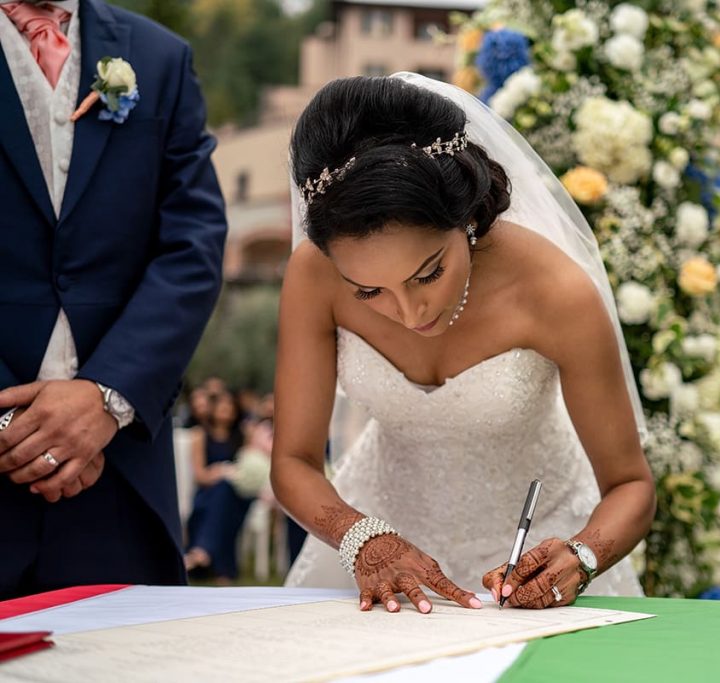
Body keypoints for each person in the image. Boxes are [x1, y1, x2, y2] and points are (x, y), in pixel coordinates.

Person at [272, 73, 655, 613]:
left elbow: (630, 485)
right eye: (368, 291)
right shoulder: (313, 276)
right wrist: (361, 538)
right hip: (371, 551)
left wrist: (582, 556)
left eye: (428, 274)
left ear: (469, 217)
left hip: (534, 553)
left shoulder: (557, 292)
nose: (408, 313)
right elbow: (292, 462)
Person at [0, 0, 226, 597]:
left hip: (119, 475)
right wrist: (15, 427)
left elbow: (192, 244)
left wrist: (107, 396)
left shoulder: (160, 57)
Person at [184, 392, 252, 583]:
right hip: (207, 493)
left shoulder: (242, 436)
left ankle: (202, 551)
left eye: (230, 408)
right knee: (221, 493)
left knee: (225, 494)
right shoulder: (200, 435)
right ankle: (223, 569)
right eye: (222, 407)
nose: (226, 411)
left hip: (236, 495)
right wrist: (220, 471)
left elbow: (247, 468)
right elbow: (200, 475)